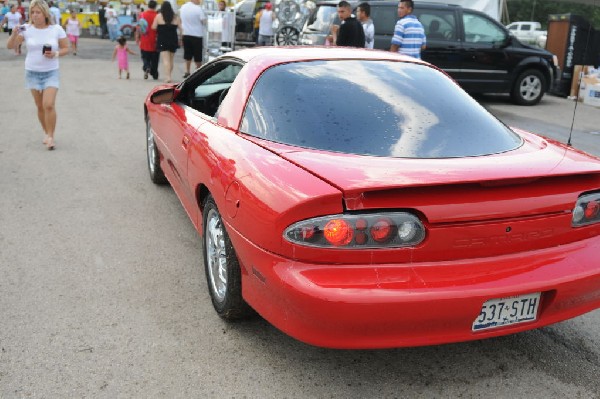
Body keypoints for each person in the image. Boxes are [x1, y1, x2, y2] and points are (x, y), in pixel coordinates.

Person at [7, 0, 69, 150]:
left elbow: (66, 48)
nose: (35, 15)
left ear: (45, 13)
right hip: (32, 71)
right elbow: (10, 46)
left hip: (51, 72)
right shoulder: (25, 29)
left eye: (38, 12)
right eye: (32, 12)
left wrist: (55, 54)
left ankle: (51, 136)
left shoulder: (56, 29)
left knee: (49, 104)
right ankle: (46, 132)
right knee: (40, 106)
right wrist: (14, 34)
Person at [151, 0, 181, 83]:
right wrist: (181, 39)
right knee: (171, 59)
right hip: (173, 40)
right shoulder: (176, 17)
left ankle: (167, 77)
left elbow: (153, 27)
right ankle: (169, 75)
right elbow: (181, 29)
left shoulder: (158, 16)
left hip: (162, 40)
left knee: (165, 60)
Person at [179, 0, 207, 78]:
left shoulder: (183, 7)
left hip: (186, 34)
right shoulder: (198, 9)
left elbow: (181, 20)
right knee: (197, 55)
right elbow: (203, 21)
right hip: (197, 35)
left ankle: (187, 71)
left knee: (187, 54)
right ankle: (199, 71)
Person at [135, 0, 159, 80]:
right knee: (155, 58)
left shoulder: (142, 15)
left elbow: (138, 27)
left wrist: (137, 37)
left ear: (148, 6)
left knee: (145, 56)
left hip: (144, 39)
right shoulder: (157, 15)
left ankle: (147, 66)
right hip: (155, 40)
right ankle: (154, 73)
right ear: (155, 7)